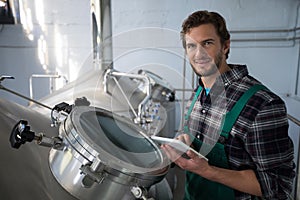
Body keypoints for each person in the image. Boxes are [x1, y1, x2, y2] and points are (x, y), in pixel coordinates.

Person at [161, 10, 295, 200]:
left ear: (225, 46)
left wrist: (209, 171)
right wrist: (183, 143)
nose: (198, 54)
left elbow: (279, 187)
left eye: (207, 43)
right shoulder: (199, 91)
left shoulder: (262, 105)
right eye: (191, 46)